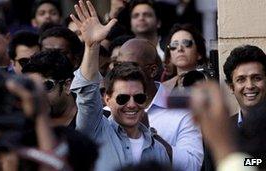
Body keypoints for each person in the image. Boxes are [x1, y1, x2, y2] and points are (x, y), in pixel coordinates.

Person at [69, 1, 170, 171]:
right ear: (107, 99)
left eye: (138, 97)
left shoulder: (159, 150)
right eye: (122, 98)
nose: (131, 104)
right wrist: (92, 46)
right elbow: (86, 92)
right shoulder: (95, 130)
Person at [116, 38, 203, 171]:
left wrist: (149, 136)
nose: (122, 73)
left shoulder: (182, 112)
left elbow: (193, 165)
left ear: (152, 70)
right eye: (119, 66)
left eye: (131, 67)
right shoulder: (110, 110)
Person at [22, 50, 77, 131]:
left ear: (67, 85)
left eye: (46, 86)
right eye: (32, 87)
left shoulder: (94, 121)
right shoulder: (26, 125)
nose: (39, 94)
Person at [223, 45, 266, 128]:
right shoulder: (223, 132)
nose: (250, 86)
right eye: (241, 79)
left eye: (257, 78)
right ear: (231, 87)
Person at [163, 23, 207, 94]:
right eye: (174, 45)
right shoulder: (162, 89)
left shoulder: (211, 85)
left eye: (186, 43)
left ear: (199, 53)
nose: (180, 48)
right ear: (170, 56)